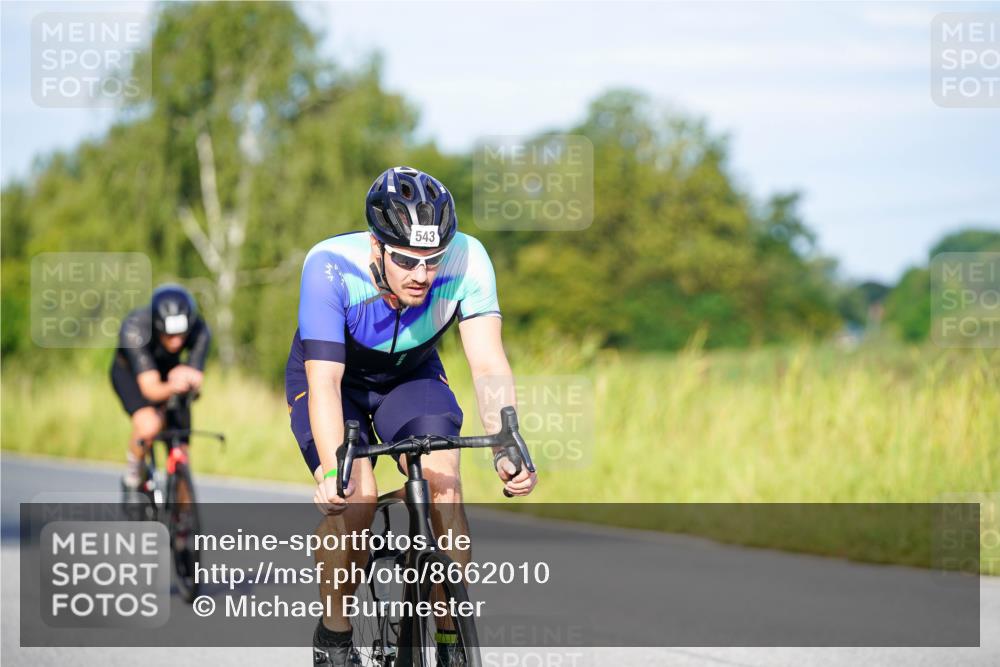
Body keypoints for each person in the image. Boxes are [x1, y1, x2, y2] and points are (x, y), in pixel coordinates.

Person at [285, 166, 537, 666]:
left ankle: (449, 640)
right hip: (336, 381)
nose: (421, 275)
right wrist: (335, 473)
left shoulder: (470, 259)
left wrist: (506, 443)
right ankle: (334, 633)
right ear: (376, 246)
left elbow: (488, 363)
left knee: (445, 486)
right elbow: (326, 382)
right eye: (405, 260)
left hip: (411, 374)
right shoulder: (329, 266)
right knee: (356, 498)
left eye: (433, 260)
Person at [111, 283, 210, 490]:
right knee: (149, 426)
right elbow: (150, 389)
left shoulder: (200, 330)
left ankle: (183, 502)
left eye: (182, 335)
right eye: (169, 335)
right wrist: (172, 387)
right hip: (132, 374)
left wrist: (189, 381)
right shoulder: (134, 329)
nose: (177, 342)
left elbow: (196, 382)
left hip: (170, 372)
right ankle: (133, 477)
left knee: (181, 447)